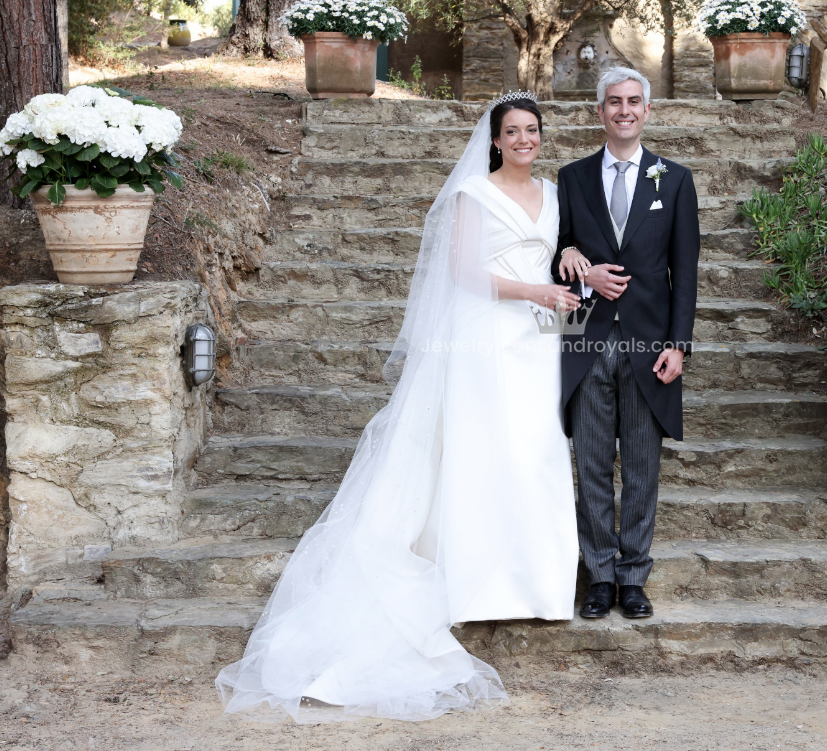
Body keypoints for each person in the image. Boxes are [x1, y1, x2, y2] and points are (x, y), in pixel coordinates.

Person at [216, 92, 593, 723]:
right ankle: (477, 583)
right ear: (495, 140)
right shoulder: (474, 193)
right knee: (482, 450)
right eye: (513, 132)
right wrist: (536, 287)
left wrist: (567, 258)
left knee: (536, 449)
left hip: (538, 339)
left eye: (533, 130)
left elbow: (552, 249)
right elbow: (466, 272)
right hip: (483, 335)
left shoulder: (555, 195)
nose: (524, 140)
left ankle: (538, 582)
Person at [553, 67, 701, 622]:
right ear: (599, 112)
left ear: (646, 110)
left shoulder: (675, 180)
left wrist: (679, 345)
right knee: (589, 462)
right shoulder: (571, 179)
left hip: (649, 345)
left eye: (634, 101)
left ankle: (634, 577)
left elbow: (684, 271)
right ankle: (599, 576)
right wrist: (573, 265)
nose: (624, 110)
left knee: (642, 465)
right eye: (613, 102)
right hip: (586, 340)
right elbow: (554, 252)